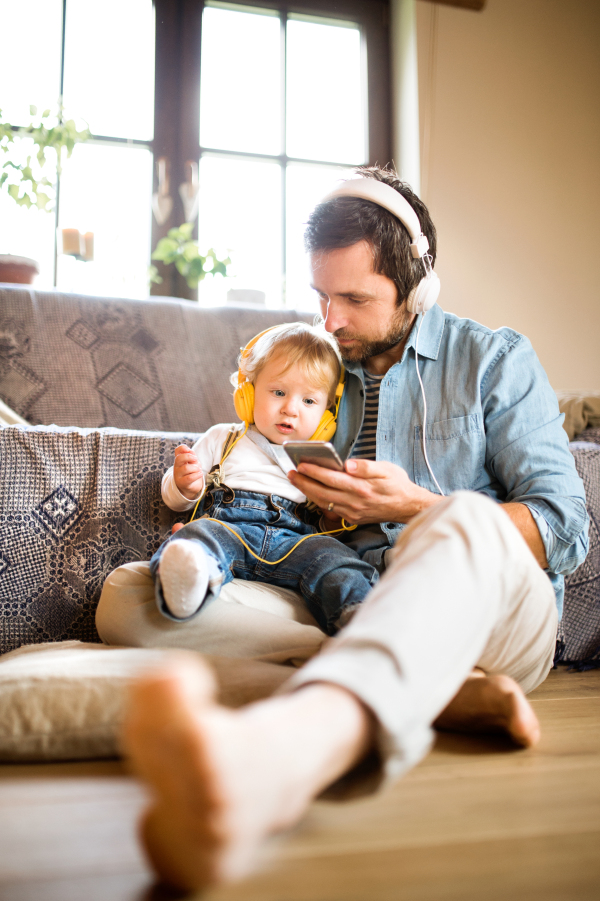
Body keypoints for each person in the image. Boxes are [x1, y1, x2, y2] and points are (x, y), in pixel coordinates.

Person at [121, 166, 588, 892]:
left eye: (354, 299)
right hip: (350, 594)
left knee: (460, 517)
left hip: (496, 609)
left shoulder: (496, 361)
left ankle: (280, 761)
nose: (328, 320)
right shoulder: (320, 369)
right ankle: (438, 687)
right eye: (319, 295)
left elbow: (565, 529)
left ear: (417, 290)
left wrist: (409, 506)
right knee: (132, 596)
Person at [151, 321, 377, 635]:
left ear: (328, 412)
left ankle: (358, 617)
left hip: (296, 543)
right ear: (248, 393)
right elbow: (173, 499)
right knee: (198, 536)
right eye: (279, 392)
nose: (290, 409)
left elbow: (328, 526)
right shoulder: (224, 438)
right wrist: (184, 484)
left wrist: (332, 515)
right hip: (229, 529)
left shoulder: (320, 458)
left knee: (336, 558)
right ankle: (189, 583)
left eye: (308, 401)